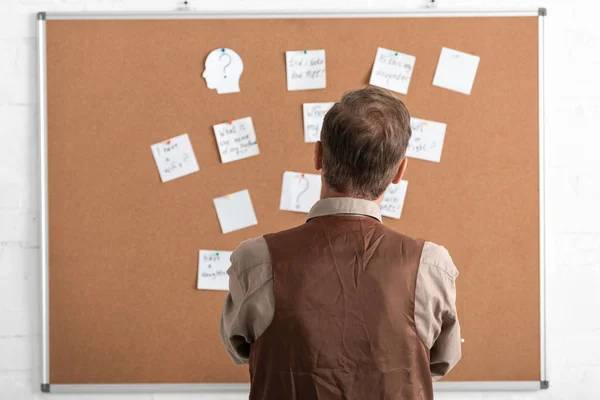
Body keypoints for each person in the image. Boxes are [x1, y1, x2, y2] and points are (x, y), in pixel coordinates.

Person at [220, 86, 461, 400]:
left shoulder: (255, 259)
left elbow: (238, 349)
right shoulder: (430, 264)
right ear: (400, 171)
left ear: (318, 154)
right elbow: (440, 362)